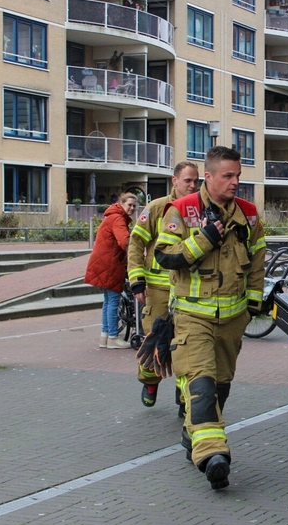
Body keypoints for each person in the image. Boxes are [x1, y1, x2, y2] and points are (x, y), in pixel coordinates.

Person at [154, 146, 266, 490]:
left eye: (238, 176)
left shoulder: (248, 214)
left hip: (232, 322)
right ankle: (213, 456)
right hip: (193, 318)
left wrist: (251, 308)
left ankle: (194, 438)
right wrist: (204, 240)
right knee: (201, 386)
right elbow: (165, 256)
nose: (235, 183)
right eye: (228, 176)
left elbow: (258, 262)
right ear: (209, 176)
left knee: (220, 388)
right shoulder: (183, 210)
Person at [127, 161, 199, 411]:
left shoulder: (197, 210)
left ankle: (184, 398)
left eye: (195, 181)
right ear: (175, 181)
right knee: (154, 340)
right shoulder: (157, 208)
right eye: (187, 180)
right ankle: (150, 381)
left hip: (187, 290)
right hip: (157, 291)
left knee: (185, 344)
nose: (192, 186)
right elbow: (136, 244)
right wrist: (137, 281)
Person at [85, 192, 137, 349]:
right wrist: (136, 256)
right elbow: (125, 241)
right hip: (111, 264)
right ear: (121, 204)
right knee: (113, 300)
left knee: (108, 301)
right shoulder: (118, 219)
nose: (132, 208)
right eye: (129, 205)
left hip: (104, 263)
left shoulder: (112, 216)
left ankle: (105, 336)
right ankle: (113, 337)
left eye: (134, 206)